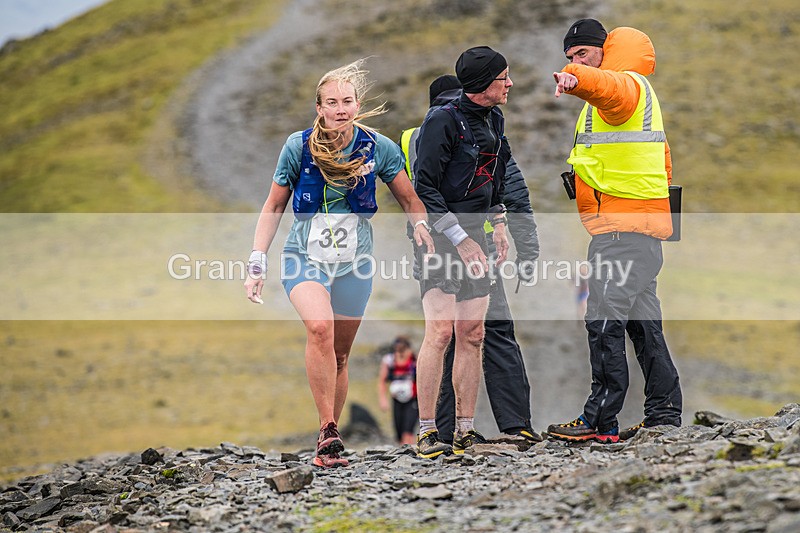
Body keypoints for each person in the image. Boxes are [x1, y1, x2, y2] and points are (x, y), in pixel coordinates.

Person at [244, 59, 434, 468]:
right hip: (304, 257)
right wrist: (257, 260)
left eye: (347, 101)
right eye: (332, 102)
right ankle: (327, 429)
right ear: (320, 108)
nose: (340, 108)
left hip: (354, 264)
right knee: (319, 327)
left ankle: (330, 441)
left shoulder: (378, 147)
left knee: (341, 355)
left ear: (357, 105)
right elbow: (274, 205)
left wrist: (421, 226)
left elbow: (409, 198)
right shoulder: (298, 147)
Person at [546, 19, 683, 443]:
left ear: (603, 51)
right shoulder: (626, 96)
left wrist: (577, 77)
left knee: (603, 321)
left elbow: (608, 87)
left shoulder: (626, 88)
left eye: (583, 53)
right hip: (635, 230)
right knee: (644, 325)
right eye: (571, 56)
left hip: (623, 233)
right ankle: (664, 413)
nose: (576, 61)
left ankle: (600, 419)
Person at [400, 75, 542, 445]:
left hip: (439, 247)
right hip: (475, 247)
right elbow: (513, 190)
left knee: (446, 336)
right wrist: (527, 250)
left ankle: (442, 430)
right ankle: (513, 425)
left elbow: (413, 198)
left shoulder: (415, 136)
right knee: (489, 332)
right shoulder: (478, 128)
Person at [412, 46, 514, 458]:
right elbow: (424, 187)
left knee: (472, 333)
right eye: (503, 78)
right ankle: (426, 431)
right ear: (482, 84)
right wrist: (460, 238)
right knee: (440, 332)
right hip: (440, 237)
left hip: (476, 233)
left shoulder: (495, 118)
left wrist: (499, 222)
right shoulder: (441, 120)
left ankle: (465, 431)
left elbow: (495, 176)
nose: (510, 84)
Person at [377, 336, 419, 445]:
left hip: (412, 399)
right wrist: (383, 399)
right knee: (399, 432)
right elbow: (382, 380)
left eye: (403, 350)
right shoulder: (389, 361)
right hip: (397, 399)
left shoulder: (415, 360)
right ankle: (403, 450)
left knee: (408, 431)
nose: (401, 354)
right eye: (398, 351)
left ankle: (409, 449)